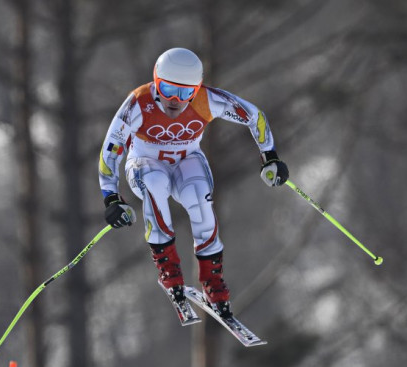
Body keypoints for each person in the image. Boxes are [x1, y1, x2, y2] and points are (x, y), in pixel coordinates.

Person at [98, 48, 288, 317]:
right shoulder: (138, 103)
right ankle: (169, 268)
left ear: (196, 88)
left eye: (186, 93)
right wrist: (111, 197)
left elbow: (253, 116)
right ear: (155, 82)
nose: (175, 100)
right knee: (155, 182)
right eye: (167, 89)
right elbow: (111, 149)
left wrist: (270, 157)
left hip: (187, 160)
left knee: (199, 197)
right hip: (144, 163)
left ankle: (213, 281)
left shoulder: (206, 100)